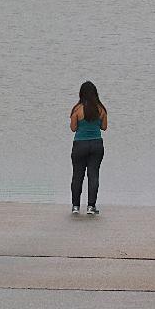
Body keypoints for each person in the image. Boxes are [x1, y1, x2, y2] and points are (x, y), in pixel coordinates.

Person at [70, 80, 108, 216]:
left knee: (77, 176)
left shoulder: (77, 109)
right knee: (93, 176)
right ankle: (91, 206)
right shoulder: (101, 109)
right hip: (97, 144)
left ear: (81, 93)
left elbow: (73, 128)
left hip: (80, 145)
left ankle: (75, 206)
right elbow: (104, 127)